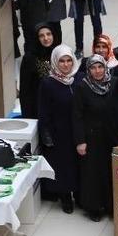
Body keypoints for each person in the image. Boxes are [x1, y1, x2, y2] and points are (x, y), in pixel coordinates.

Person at [39, 45, 81, 213]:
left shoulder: (79, 79)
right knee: (63, 166)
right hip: (59, 132)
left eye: (69, 60)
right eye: (61, 61)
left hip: (78, 130)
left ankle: (79, 194)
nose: (65, 65)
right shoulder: (48, 83)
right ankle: (65, 197)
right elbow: (43, 111)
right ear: (55, 62)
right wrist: (46, 134)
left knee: (78, 164)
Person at [73, 55, 113, 220]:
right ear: (88, 70)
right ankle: (94, 207)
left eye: (100, 67)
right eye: (93, 68)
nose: (97, 71)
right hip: (91, 138)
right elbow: (77, 116)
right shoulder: (82, 87)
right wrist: (80, 141)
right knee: (93, 174)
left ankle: (110, 205)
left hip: (110, 137)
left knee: (109, 172)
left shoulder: (113, 83)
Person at [19, 23, 57, 118]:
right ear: (36, 38)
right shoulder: (29, 58)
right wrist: (27, 116)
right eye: (41, 36)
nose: (46, 38)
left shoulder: (56, 53)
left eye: (49, 34)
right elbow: (25, 90)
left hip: (55, 105)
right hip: (37, 107)